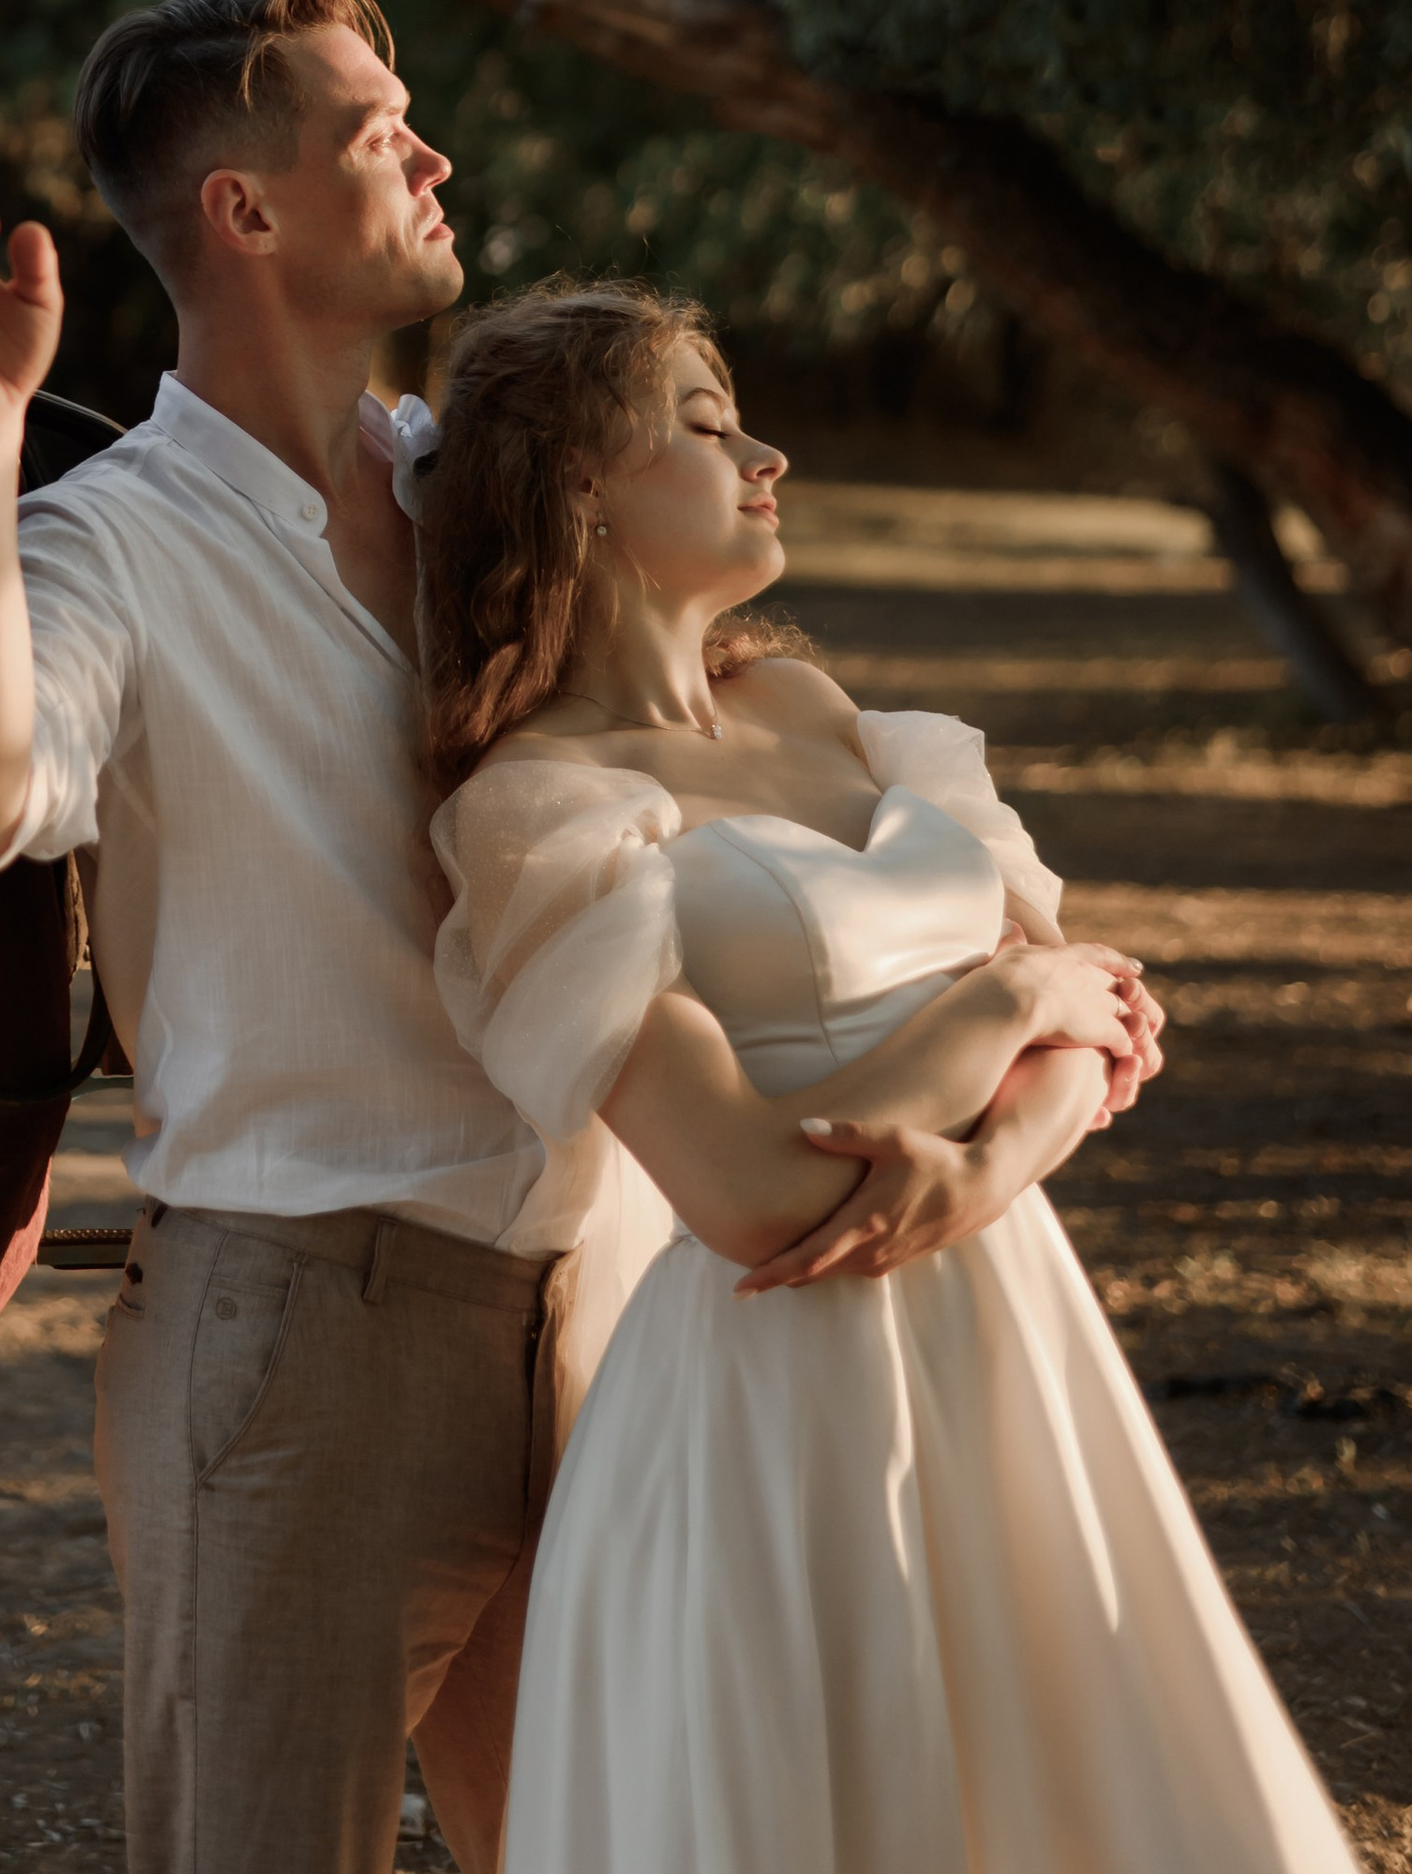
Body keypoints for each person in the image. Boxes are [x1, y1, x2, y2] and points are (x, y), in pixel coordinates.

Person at [0, 0, 1148, 1874]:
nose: (433, 152)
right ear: (248, 211)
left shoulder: (484, 495)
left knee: (630, 1842)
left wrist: (1012, 1062)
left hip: (629, 1306)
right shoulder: (106, 546)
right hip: (313, 1330)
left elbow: (738, 805)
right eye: (378, 131)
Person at [424, 275, 1354, 1874]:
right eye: (706, 427)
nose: (764, 454)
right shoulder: (540, 807)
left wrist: (990, 1164)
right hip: (778, 1383)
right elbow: (746, 1191)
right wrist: (1001, 1003)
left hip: (1008, 1320)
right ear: (580, 483)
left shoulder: (806, 704)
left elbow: (1100, 1022)